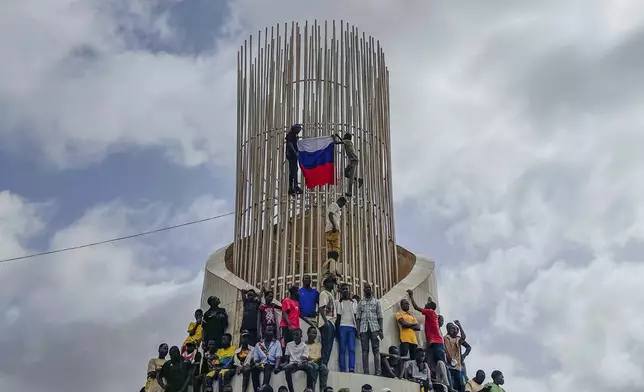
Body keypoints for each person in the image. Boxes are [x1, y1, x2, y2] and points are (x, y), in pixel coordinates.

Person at [407, 290, 445, 367]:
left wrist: (411, 296)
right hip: (436, 342)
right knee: (434, 362)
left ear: (430, 307)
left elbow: (416, 307)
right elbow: (431, 306)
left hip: (436, 342)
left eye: (426, 304)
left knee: (440, 363)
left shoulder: (430, 312)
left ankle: (446, 378)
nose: (425, 305)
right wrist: (429, 301)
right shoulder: (432, 313)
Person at [356, 283, 383, 375]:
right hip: (364, 329)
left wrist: (381, 330)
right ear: (364, 290)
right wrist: (358, 330)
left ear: (371, 290)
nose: (368, 289)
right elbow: (358, 317)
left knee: (376, 350)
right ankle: (366, 372)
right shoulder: (360, 302)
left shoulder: (377, 302)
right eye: (366, 288)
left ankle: (378, 372)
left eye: (369, 288)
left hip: (375, 328)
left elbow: (380, 316)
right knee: (365, 350)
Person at [251, 325, 282, 390]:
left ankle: (264, 387)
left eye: (271, 331)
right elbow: (256, 359)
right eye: (268, 330)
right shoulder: (259, 344)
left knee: (268, 366)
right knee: (254, 369)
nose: (270, 332)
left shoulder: (276, 343)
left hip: (272, 364)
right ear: (264, 332)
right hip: (262, 364)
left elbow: (278, 357)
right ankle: (257, 389)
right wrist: (257, 365)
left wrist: (276, 367)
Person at [332, 132, 363, 197]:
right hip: (352, 161)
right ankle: (358, 180)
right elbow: (342, 141)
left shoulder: (347, 141)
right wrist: (338, 136)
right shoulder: (347, 142)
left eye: (344, 136)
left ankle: (350, 192)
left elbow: (336, 143)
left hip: (354, 161)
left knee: (351, 177)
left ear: (346, 137)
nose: (343, 137)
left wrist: (334, 138)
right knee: (345, 173)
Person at [323, 197, 347, 280]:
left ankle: (330, 269)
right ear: (340, 201)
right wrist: (334, 226)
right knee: (335, 250)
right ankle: (334, 270)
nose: (342, 206)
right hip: (333, 229)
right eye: (342, 204)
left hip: (329, 230)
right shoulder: (335, 205)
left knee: (331, 250)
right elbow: (330, 214)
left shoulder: (333, 205)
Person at [336, 282, 357, 373]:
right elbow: (337, 317)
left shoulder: (354, 302)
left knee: (352, 349)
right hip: (342, 327)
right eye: (343, 289)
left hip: (352, 327)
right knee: (342, 349)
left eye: (347, 289)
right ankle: (343, 369)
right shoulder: (337, 302)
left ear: (349, 291)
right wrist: (336, 331)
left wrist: (357, 329)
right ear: (340, 291)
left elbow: (356, 316)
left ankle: (351, 368)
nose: (345, 290)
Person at [444, 320, 469, 392]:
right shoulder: (445, 338)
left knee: (461, 385)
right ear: (448, 330)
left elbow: (463, 337)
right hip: (449, 366)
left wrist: (459, 326)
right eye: (452, 329)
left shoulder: (458, 339)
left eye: (455, 329)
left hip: (457, 367)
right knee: (451, 385)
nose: (454, 330)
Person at [318, 277, 336, 366]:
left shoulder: (330, 294)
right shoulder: (323, 293)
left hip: (331, 322)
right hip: (327, 322)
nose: (333, 284)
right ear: (325, 284)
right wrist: (326, 322)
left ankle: (324, 363)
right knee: (326, 345)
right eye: (330, 282)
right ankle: (323, 363)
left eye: (333, 283)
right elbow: (321, 308)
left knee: (329, 345)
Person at [305, 326, 329, 392]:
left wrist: (315, 360)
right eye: (313, 333)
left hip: (316, 361)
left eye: (315, 333)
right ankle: (312, 389)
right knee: (315, 367)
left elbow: (318, 356)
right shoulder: (304, 345)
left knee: (324, 368)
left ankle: (323, 389)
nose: (314, 335)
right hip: (308, 363)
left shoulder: (318, 344)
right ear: (308, 333)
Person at [286, 124, 303, 195]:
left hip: (293, 155)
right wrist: (295, 152)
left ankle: (291, 187)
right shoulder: (290, 135)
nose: (299, 131)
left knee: (292, 171)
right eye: (298, 130)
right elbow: (290, 144)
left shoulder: (294, 136)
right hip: (292, 155)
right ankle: (295, 185)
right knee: (294, 169)